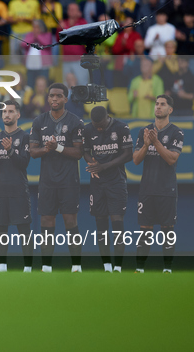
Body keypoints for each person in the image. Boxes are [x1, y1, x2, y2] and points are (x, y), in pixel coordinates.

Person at [29, 83, 84, 273]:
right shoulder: (39, 121)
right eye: (51, 96)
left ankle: (76, 265)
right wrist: (46, 148)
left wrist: (57, 147)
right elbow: (33, 152)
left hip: (69, 181)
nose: (54, 99)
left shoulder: (76, 121)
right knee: (46, 222)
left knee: (70, 221)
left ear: (65, 99)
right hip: (47, 181)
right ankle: (46, 266)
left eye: (58, 96)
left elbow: (79, 153)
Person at [133, 95, 183, 273]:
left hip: (166, 189)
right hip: (147, 188)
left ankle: (167, 268)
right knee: (145, 230)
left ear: (170, 110)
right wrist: (147, 145)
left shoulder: (176, 132)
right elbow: (136, 160)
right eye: (156, 104)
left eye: (162, 104)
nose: (158, 107)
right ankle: (139, 269)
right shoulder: (144, 131)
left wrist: (155, 142)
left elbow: (172, 159)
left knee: (167, 229)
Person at [83, 106, 133, 273]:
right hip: (97, 182)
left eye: (101, 125)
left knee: (117, 222)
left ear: (108, 118)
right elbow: (85, 151)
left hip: (116, 181)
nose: (98, 128)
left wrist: (104, 166)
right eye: (95, 124)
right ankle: (107, 267)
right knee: (101, 225)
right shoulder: (88, 129)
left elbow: (128, 154)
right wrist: (92, 163)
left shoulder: (121, 128)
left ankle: (118, 266)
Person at [0, 100, 33, 272]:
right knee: (0, 231)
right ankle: (2, 268)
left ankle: (28, 268)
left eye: (11, 111)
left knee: (24, 230)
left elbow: (23, 164)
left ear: (18, 115)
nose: (7, 114)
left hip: (19, 190)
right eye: (4, 111)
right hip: (0, 192)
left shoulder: (24, 137)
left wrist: (11, 150)